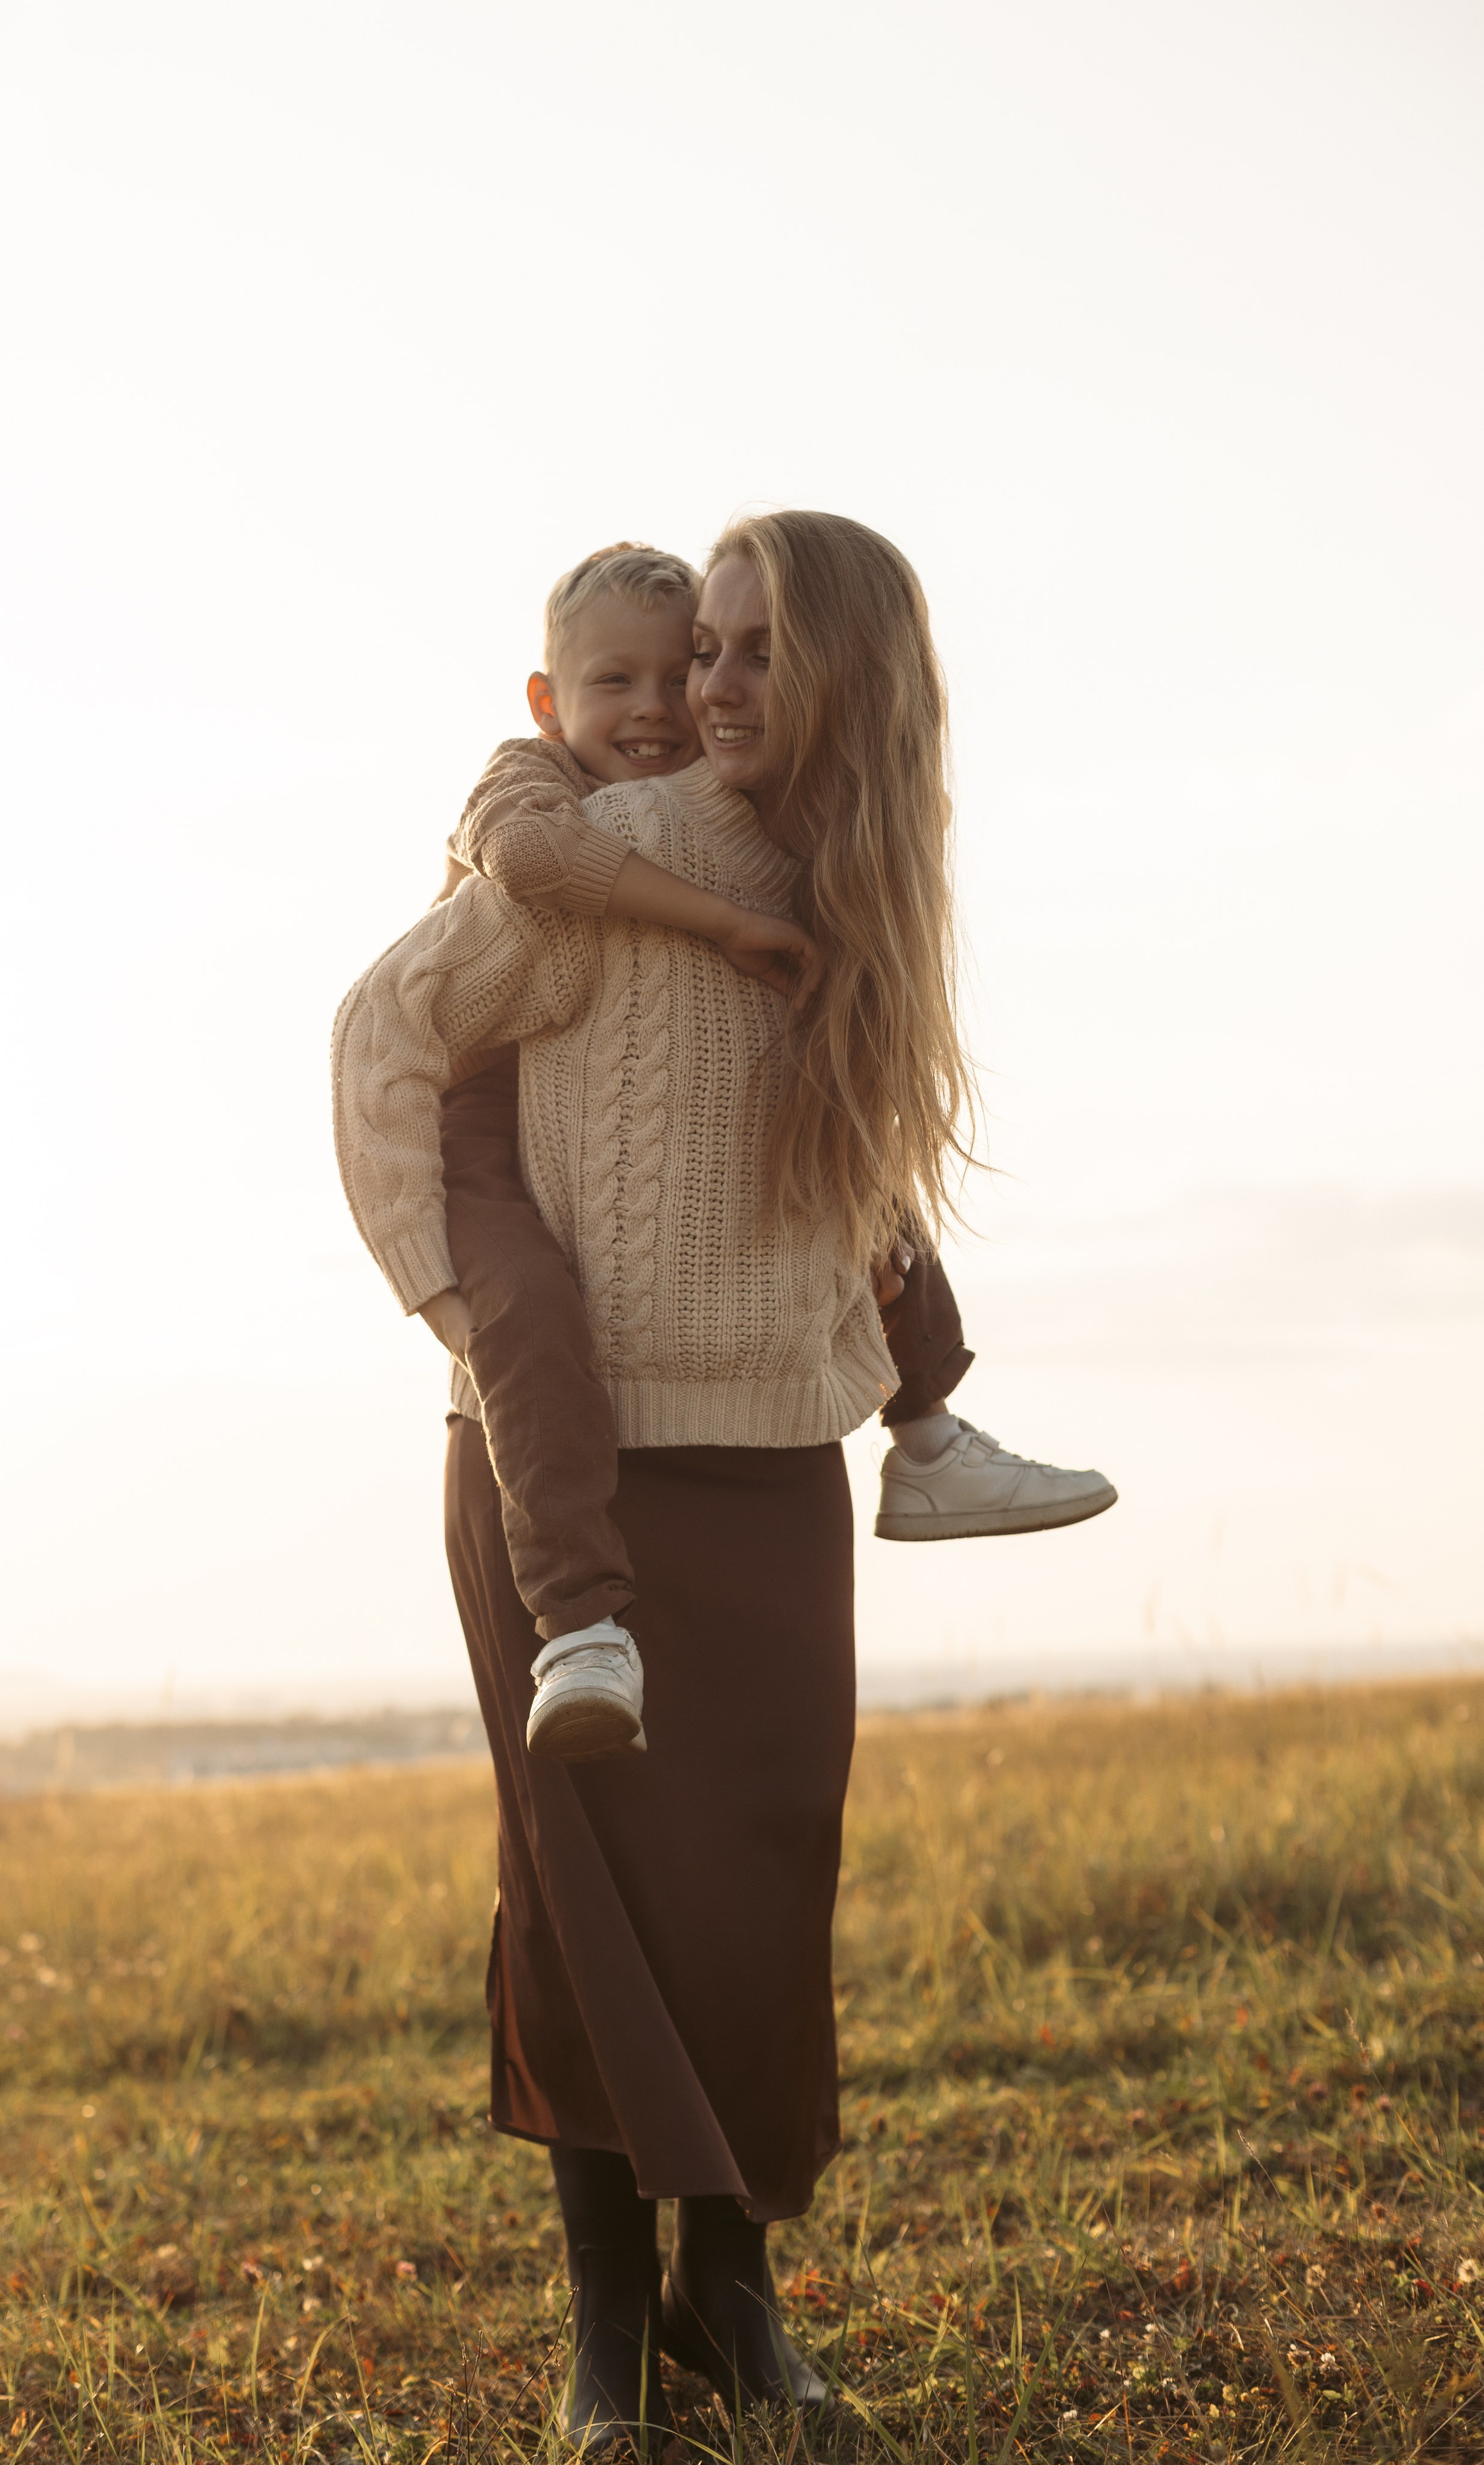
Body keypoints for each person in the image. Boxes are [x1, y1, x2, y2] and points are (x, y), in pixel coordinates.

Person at [332, 512, 1085, 2445]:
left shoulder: (860, 888)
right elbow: (382, 1030)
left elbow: (843, 1170)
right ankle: (609, 2343)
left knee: (756, 1901)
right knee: (583, 1902)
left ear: (851, 681)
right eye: (696, 657)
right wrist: (463, 1301)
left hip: (771, 1471)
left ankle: (731, 2307)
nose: (707, 699)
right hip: (564, 1482)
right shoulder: (622, 848)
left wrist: (898, 1377)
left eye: (750, 657)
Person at [426, 546, 1115, 1764]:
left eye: (681, 669)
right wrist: (731, 919)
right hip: (482, 1118)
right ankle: (576, 1615)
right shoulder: (525, 785)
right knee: (527, 1318)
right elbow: (532, 869)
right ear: (546, 700)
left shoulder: (720, 805)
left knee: (858, 1158)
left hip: (745, 1408)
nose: (658, 708)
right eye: (616, 682)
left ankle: (932, 1429)